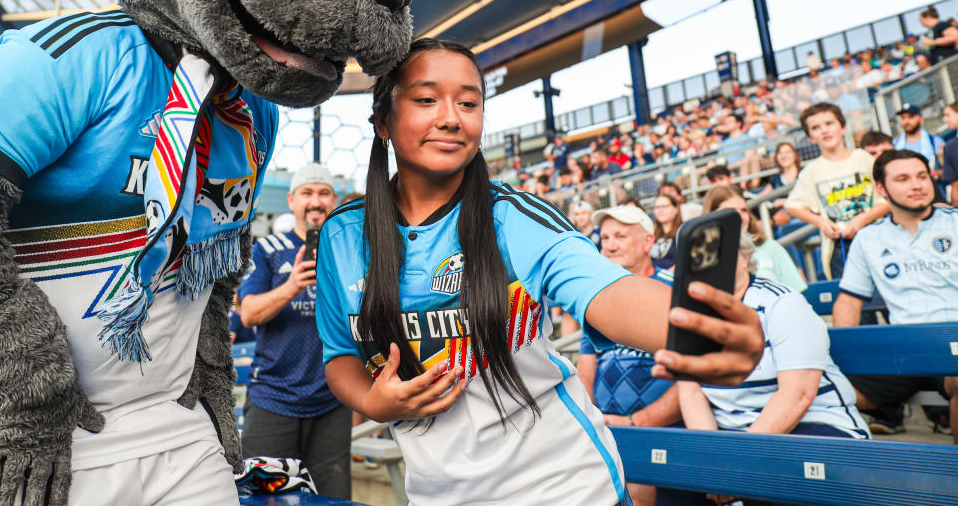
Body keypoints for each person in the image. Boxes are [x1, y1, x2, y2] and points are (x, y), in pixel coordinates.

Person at [314, 39, 763, 506]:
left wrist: (699, 330)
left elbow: (607, 289)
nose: (451, 117)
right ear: (383, 120)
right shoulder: (341, 237)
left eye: (469, 103)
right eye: (426, 99)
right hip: (437, 496)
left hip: (568, 489)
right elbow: (341, 355)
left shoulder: (514, 217)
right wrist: (372, 403)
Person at [833, 150, 958, 447]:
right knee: (821, 384)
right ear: (881, 189)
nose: (917, 185)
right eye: (903, 179)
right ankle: (846, 481)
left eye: (922, 176)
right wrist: (846, 352)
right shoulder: (868, 238)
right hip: (907, 350)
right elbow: (848, 301)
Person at [674, 232, 868, 505]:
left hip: (813, 424)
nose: (707, 265)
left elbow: (798, 395)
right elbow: (691, 394)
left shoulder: (782, 303)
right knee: (674, 482)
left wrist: (738, 465)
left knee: (768, 481)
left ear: (743, 258)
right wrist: (713, 459)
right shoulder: (690, 315)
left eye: (717, 256)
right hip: (732, 435)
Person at [237, 163, 350, 499]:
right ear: (291, 200)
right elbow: (248, 314)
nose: (315, 201)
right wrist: (291, 287)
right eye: (307, 193)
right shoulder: (267, 249)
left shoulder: (349, 252)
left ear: (334, 200)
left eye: (323, 193)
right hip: (274, 398)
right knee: (261, 498)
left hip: (332, 399)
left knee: (332, 500)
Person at [578, 205, 679, 506]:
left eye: (620, 235)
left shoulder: (674, 292)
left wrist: (636, 422)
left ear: (648, 242)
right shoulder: (596, 299)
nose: (609, 244)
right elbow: (586, 371)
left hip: (661, 433)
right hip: (607, 429)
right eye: (605, 237)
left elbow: (694, 381)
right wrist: (593, 423)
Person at [785, 103, 890, 279]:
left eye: (829, 123)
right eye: (816, 128)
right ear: (811, 137)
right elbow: (793, 205)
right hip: (840, 245)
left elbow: (889, 199)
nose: (824, 130)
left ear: (843, 128)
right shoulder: (812, 171)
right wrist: (820, 222)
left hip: (877, 234)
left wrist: (864, 218)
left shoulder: (863, 158)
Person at [703, 186, 805, 293]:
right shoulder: (705, 258)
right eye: (730, 211)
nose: (740, 216)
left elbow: (798, 294)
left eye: (744, 210)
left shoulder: (770, 247)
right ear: (711, 214)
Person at [892, 104, 943, 180]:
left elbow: (948, 170)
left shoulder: (935, 142)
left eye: (911, 117)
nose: (906, 121)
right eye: (903, 118)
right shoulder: (894, 145)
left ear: (921, 119)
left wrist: (932, 175)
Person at [650, 192, 683, 271]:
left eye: (665, 206)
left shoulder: (683, 231)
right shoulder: (650, 234)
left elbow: (685, 261)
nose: (660, 210)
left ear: (676, 209)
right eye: (657, 207)